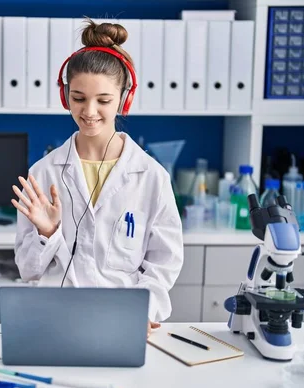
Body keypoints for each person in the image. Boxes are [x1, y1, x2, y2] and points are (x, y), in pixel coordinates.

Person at [12, 18, 184, 337]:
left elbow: (164, 264)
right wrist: (48, 233)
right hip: (55, 324)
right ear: (65, 97)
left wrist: (142, 311)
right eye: (78, 98)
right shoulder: (43, 173)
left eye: (103, 100)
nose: (90, 111)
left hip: (123, 324)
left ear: (124, 97)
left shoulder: (150, 177)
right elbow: (28, 270)